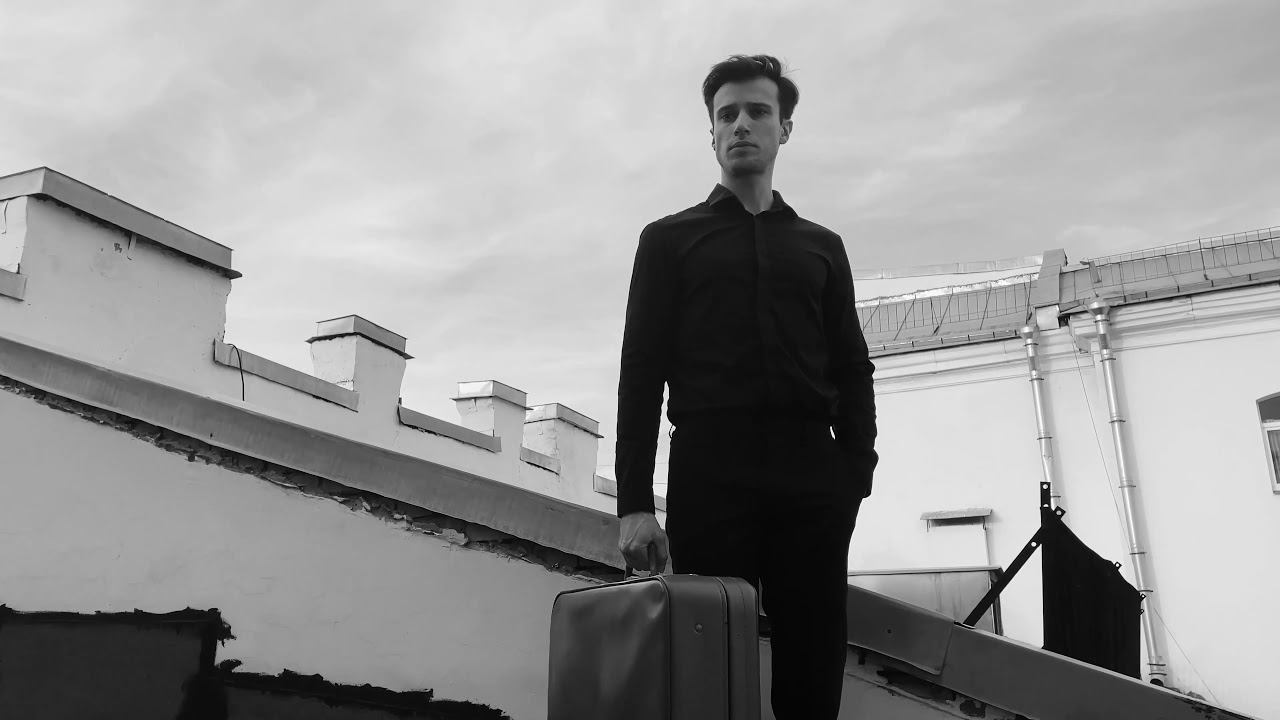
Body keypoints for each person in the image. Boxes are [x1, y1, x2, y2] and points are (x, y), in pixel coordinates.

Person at [614, 54, 878, 720]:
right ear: (710, 133)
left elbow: (852, 365)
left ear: (784, 128)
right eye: (726, 114)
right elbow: (641, 370)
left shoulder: (822, 247)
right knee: (706, 667)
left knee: (812, 667)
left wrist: (855, 471)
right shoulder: (668, 240)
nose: (741, 125)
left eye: (757, 111)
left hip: (812, 476)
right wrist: (634, 502)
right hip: (709, 472)